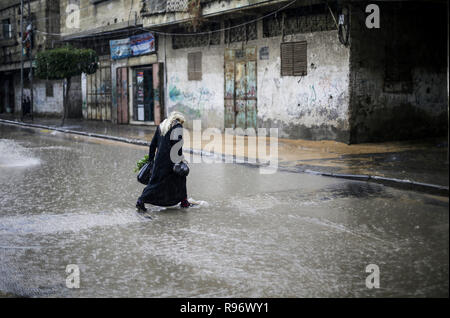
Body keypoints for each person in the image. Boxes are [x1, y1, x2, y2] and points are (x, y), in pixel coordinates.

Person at [136, 111, 190, 211]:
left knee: (156, 183)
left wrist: (151, 161)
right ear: (179, 120)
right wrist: (180, 160)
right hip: (171, 161)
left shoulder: (161, 126)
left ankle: (141, 201)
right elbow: (177, 146)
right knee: (180, 179)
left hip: (159, 161)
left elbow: (153, 145)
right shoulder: (177, 127)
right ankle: (141, 200)